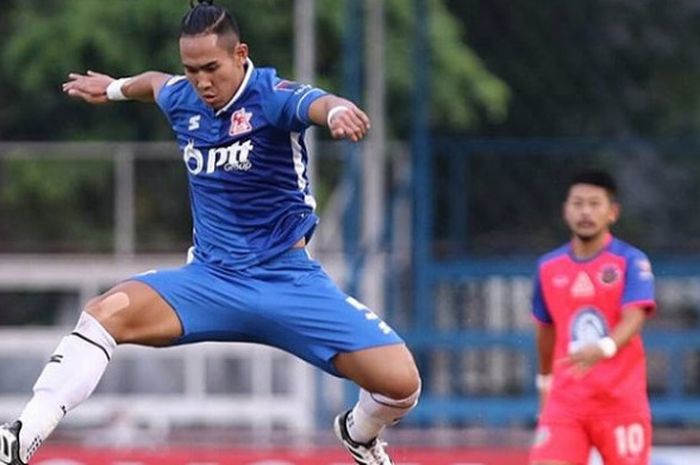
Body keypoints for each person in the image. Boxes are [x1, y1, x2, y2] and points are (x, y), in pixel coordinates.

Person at [0, 2, 421, 464]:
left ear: (240, 54)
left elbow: (316, 103)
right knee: (105, 312)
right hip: (210, 281)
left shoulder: (272, 96)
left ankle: (357, 432)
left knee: (401, 384)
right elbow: (157, 84)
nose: (202, 82)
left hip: (286, 282)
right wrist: (115, 88)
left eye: (211, 69)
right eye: (192, 69)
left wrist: (338, 110)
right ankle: (21, 437)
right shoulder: (185, 97)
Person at [529, 170, 655, 465]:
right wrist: (544, 382)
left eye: (595, 204)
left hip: (620, 403)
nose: (585, 211)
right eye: (578, 203)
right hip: (566, 403)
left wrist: (604, 348)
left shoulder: (631, 261)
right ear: (565, 210)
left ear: (612, 212)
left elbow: (635, 316)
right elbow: (545, 330)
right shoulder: (548, 267)